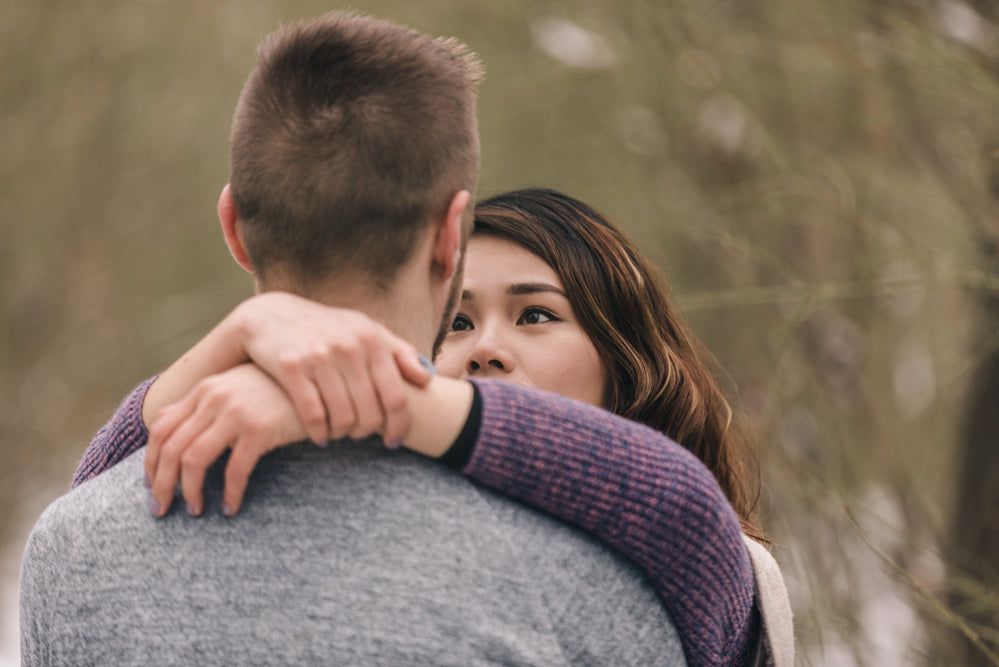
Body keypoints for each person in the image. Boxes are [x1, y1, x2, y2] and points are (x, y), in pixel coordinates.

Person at [18, 11, 750, 667]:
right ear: (449, 235)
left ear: (234, 227)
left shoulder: (69, 551)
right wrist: (400, 403)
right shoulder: (598, 569)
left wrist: (208, 372)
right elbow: (695, 527)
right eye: (466, 319)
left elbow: (91, 498)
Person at [72, 189, 787, 664]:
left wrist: (376, 397)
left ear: (625, 356)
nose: (485, 346)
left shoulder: (712, 551)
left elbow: (677, 503)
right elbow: (89, 514)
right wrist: (240, 338)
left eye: (536, 314)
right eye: (457, 322)